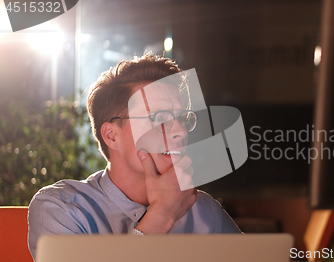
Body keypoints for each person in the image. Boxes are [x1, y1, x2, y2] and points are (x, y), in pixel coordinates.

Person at [27, 52, 241, 260]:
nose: (181, 131)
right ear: (111, 136)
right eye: (160, 118)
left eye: (182, 119)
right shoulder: (62, 208)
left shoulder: (204, 211)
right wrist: (162, 215)